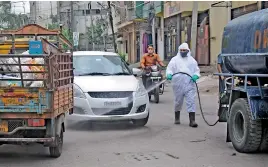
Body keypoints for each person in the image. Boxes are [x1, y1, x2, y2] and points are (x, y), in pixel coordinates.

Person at [166, 43, 200, 128]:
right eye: (181, 50)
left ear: (188, 51)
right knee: (178, 101)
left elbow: (196, 70)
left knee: (191, 101)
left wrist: (196, 75)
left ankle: (192, 121)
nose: (182, 52)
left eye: (184, 50)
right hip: (178, 84)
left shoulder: (192, 60)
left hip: (189, 83)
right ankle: (177, 117)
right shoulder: (174, 60)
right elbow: (170, 69)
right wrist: (169, 74)